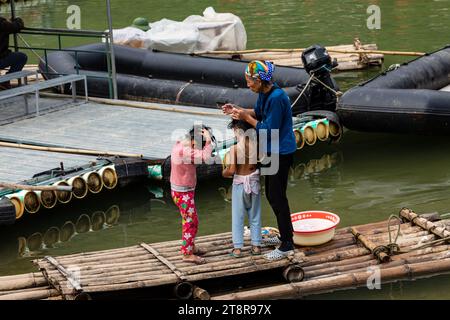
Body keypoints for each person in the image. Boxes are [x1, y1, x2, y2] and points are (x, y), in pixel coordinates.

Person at [222, 60, 297, 261]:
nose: (248, 84)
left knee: (276, 195)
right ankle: (285, 235)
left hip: (280, 151)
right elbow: (260, 114)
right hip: (270, 151)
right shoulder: (264, 94)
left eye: (249, 81)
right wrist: (238, 110)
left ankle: (287, 244)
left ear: (260, 80)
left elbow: (268, 131)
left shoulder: (277, 97)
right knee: (274, 195)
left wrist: (246, 118)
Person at [170, 124, 213, 264]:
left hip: (182, 191)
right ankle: (187, 254)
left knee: (192, 220)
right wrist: (208, 142)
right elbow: (205, 157)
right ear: (194, 141)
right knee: (190, 222)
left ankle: (190, 246)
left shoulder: (181, 143)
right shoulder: (185, 150)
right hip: (183, 193)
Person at [222, 119, 261, 258]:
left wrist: (224, 172)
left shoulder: (234, 149)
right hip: (254, 183)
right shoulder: (257, 146)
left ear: (238, 130)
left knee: (238, 217)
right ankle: (256, 246)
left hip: (240, 185)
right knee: (255, 215)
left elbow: (232, 170)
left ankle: (237, 249)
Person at [0, 15, 27, 89]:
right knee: (22, 57)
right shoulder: (2, 24)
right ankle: (5, 80)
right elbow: (17, 26)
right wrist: (17, 19)